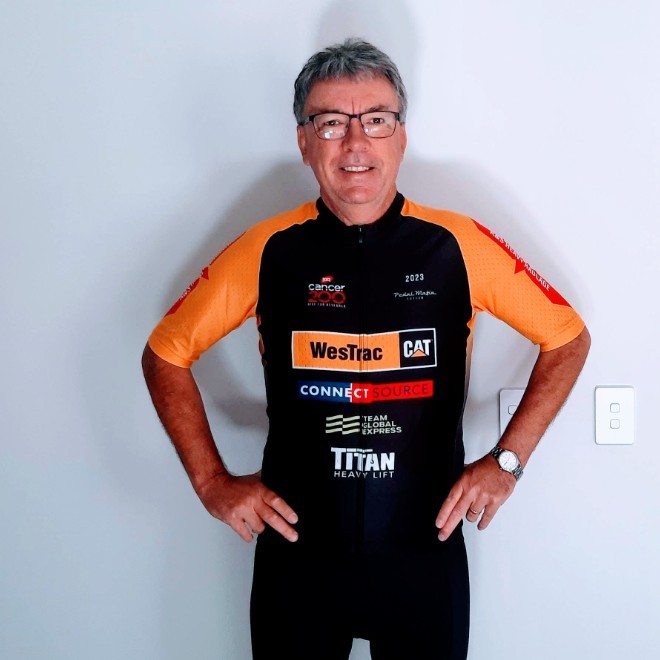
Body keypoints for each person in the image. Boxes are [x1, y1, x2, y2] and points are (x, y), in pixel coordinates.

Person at [142, 38, 590, 660]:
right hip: (298, 566)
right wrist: (211, 481)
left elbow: (567, 338)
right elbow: (165, 353)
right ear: (304, 142)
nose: (356, 143)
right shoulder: (267, 248)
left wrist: (507, 462)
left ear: (401, 136)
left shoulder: (458, 245)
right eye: (331, 122)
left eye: (376, 119)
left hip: (422, 563)